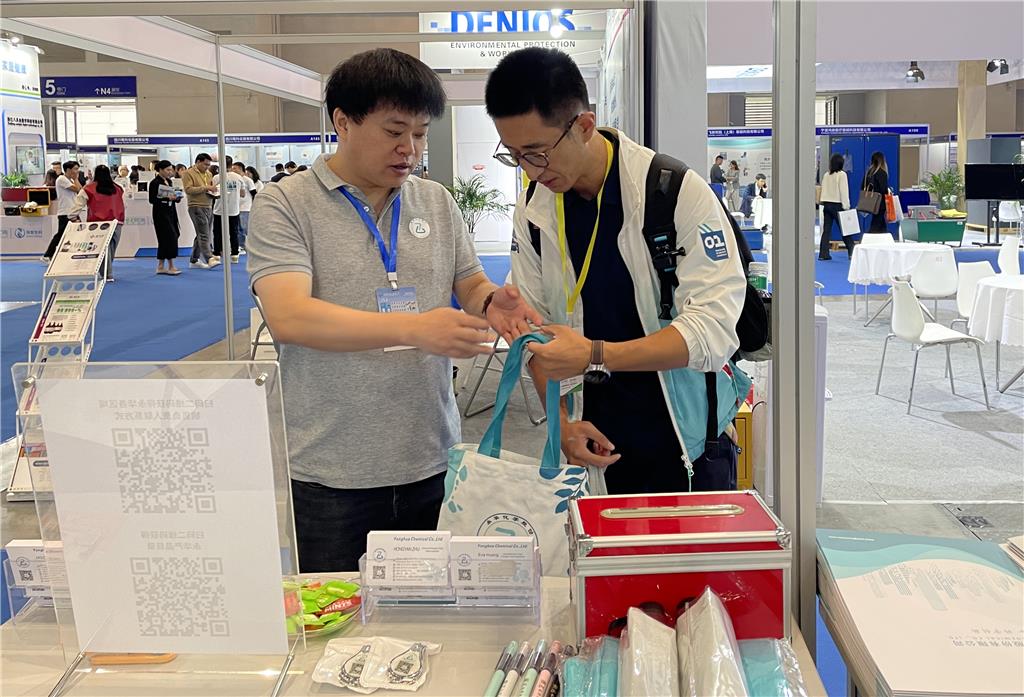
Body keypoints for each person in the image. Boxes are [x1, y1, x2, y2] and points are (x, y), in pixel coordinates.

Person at [247, 47, 542, 573]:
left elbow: (468, 281)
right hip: (330, 472)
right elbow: (289, 316)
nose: (410, 149)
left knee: (433, 609)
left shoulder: (435, 201)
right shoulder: (286, 204)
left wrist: (489, 300)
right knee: (337, 616)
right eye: (394, 131)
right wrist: (415, 328)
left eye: (421, 133)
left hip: (432, 459)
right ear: (343, 122)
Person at [484, 47, 749, 495]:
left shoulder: (672, 191)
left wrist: (596, 354)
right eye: (514, 155)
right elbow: (538, 335)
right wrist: (562, 424)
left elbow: (712, 332)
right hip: (593, 450)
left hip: (687, 447)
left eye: (537, 153)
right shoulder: (533, 209)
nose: (530, 170)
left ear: (584, 126)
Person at [73, 164, 125, 282]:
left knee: (102, 248)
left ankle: (106, 272)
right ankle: (107, 272)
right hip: (117, 221)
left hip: (97, 224)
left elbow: (78, 204)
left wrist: (72, 216)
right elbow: (123, 203)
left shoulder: (88, 188)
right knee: (111, 248)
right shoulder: (118, 188)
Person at [180, 153, 220, 269]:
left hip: (208, 205)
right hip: (196, 206)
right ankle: (209, 258)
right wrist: (206, 188)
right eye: (205, 164)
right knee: (204, 234)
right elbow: (188, 190)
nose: (207, 167)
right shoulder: (188, 173)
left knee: (202, 233)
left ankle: (194, 259)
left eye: (209, 165)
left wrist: (215, 193)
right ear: (198, 162)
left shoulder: (209, 174)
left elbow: (209, 188)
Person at [42, 161, 83, 262]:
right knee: (61, 234)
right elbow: (76, 189)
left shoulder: (70, 180)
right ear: (68, 170)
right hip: (65, 212)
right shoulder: (62, 179)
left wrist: (75, 179)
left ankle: (73, 254)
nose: (77, 171)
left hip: (73, 212)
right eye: (75, 169)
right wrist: (76, 179)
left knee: (77, 233)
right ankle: (48, 255)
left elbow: (80, 190)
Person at [149, 160, 182, 275]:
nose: (170, 172)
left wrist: (177, 197)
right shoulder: (154, 183)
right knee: (168, 237)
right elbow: (152, 199)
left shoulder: (169, 181)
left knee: (170, 236)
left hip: (171, 211)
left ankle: (161, 266)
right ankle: (171, 265)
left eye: (171, 170)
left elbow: (173, 196)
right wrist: (167, 198)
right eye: (167, 170)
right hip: (160, 213)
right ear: (160, 170)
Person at [818, 153, 852, 260]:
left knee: (826, 230)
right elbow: (844, 192)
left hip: (827, 204)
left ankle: (823, 254)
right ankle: (851, 251)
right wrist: (846, 206)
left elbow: (823, 189)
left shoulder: (826, 175)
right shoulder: (842, 175)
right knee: (845, 229)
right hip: (837, 205)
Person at [212, 155, 243, 262]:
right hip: (233, 209)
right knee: (234, 233)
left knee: (217, 233)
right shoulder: (238, 177)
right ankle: (235, 254)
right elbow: (242, 193)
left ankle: (217, 254)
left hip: (219, 210)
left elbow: (212, 192)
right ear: (231, 164)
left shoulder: (216, 177)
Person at [234, 161, 257, 254]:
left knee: (244, 228)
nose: (233, 170)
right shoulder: (236, 179)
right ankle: (241, 246)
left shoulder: (247, 180)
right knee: (238, 229)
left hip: (245, 208)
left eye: (235, 168)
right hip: (236, 208)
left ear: (240, 169)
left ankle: (247, 246)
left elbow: (254, 193)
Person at [864, 151, 889, 233]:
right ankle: (869, 238)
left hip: (871, 201)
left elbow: (863, 186)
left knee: (881, 223)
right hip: (880, 203)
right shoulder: (882, 173)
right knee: (876, 224)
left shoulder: (869, 172)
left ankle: (884, 237)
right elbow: (883, 189)